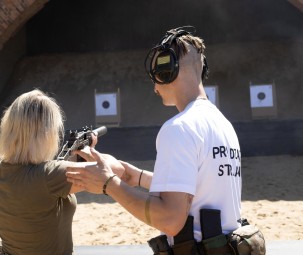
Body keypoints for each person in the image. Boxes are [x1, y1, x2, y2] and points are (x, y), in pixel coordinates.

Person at [66, 27, 242, 254]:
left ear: (170, 70)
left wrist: (108, 184)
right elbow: (198, 187)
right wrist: (131, 174)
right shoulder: (223, 125)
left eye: (158, 72)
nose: (154, 86)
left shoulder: (179, 128)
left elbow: (170, 219)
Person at [0, 89, 123, 255]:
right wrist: (90, 152)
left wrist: (73, 159)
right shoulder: (49, 175)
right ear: (46, 133)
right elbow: (115, 169)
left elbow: (39, 194)